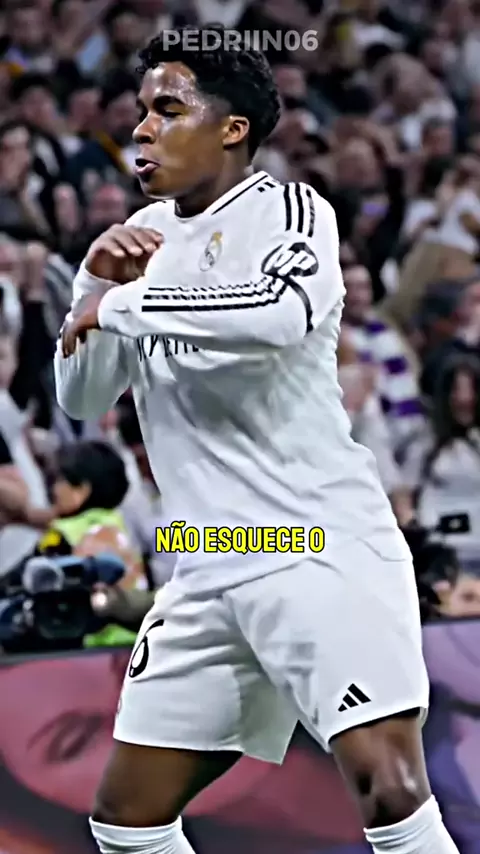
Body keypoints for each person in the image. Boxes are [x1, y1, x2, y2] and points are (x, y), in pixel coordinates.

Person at [54, 27, 458, 854]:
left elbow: (277, 315)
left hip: (314, 544)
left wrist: (122, 305)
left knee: (389, 790)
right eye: (141, 110)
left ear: (232, 127)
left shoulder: (289, 211)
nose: (142, 128)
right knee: (127, 822)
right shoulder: (139, 240)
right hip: (208, 561)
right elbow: (81, 397)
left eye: (169, 109)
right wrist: (93, 282)